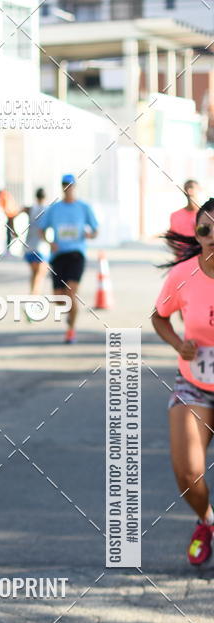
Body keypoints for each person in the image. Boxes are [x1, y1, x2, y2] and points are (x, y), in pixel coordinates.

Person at [152, 197, 214, 566]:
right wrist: (179, 344)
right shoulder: (183, 274)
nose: (211, 236)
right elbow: (160, 317)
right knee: (189, 472)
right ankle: (206, 521)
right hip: (196, 383)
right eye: (204, 229)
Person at [39, 174, 98, 344]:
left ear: (75, 186)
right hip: (58, 256)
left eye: (70, 184)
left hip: (76, 254)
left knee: (71, 293)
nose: (68, 187)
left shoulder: (83, 207)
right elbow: (42, 229)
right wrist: (50, 242)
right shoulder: (55, 208)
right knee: (59, 298)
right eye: (65, 184)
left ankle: (71, 330)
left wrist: (90, 234)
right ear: (62, 186)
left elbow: (95, 230)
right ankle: (70, 316)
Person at [21, 188, 49, 295]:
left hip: (29, 246)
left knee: (34, 273)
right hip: (42, 246)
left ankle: (33, 295)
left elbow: (13, 214)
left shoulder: (30, 208)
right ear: (45, 197)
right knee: (40, 274)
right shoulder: (48, 209)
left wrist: (13, 230)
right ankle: (33, 297)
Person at [0, 188, 18, 256]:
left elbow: (6, 207)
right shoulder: (6, 194)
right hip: (12, 213)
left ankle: (14, 235)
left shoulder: (2, 196)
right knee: (10, 230)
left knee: (9, 232)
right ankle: (14, 234)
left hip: (10, 214)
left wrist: (7, 214)